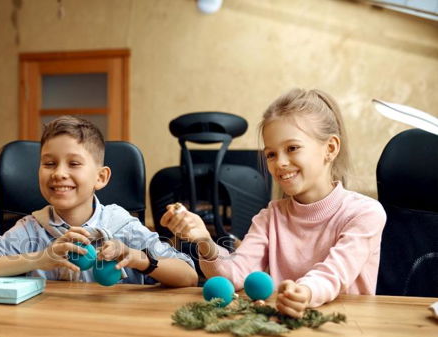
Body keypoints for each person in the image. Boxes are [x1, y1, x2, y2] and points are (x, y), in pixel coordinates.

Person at [160, 88, 386, 317]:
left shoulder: (365, 213)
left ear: (330, 148)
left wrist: (304, 292)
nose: (280, 163)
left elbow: (334, 274)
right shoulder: (270, 216)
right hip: (283, 331)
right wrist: (203, 241)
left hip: (345, 334)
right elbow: (234, 276)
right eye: (271, 154)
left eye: (292, 148)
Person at [0, 115, 198, 287]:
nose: (59, 173)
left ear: (101, 177)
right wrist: (40, 258)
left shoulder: (123, 226)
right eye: (49, 163)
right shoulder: (31, 229)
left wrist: (137, 258)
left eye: (73, 163)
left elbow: (189, 276)